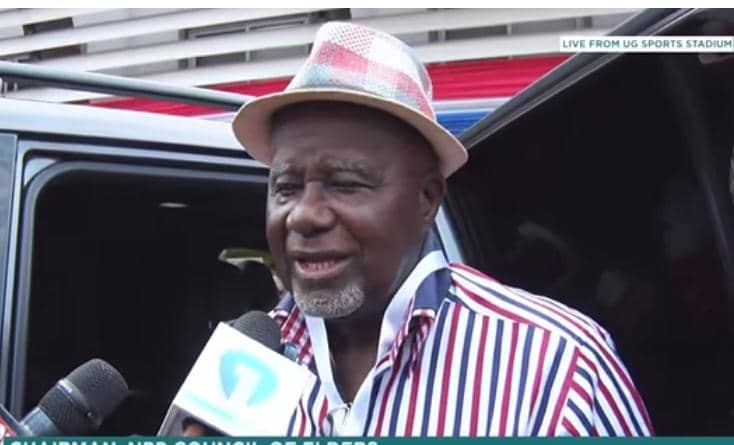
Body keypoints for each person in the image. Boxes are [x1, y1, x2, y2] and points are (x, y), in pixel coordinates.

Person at [229, 21, 652, 436]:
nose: (304, 216)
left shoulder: (558, 368)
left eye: (345, 184)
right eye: (286, 188)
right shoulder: (243, 363)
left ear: (426, 199)